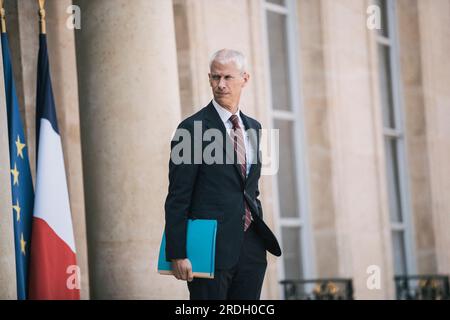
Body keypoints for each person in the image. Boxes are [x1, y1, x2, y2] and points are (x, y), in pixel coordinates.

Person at [164, 49, 281, 300]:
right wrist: (177, 253)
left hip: (251, 249)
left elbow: (250, 189)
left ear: (245, 79)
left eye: (228, 77)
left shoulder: (254, 128)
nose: (221, 85)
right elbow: (178, 196)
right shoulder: (191, 129)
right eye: (215, 77)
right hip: (209, 249)